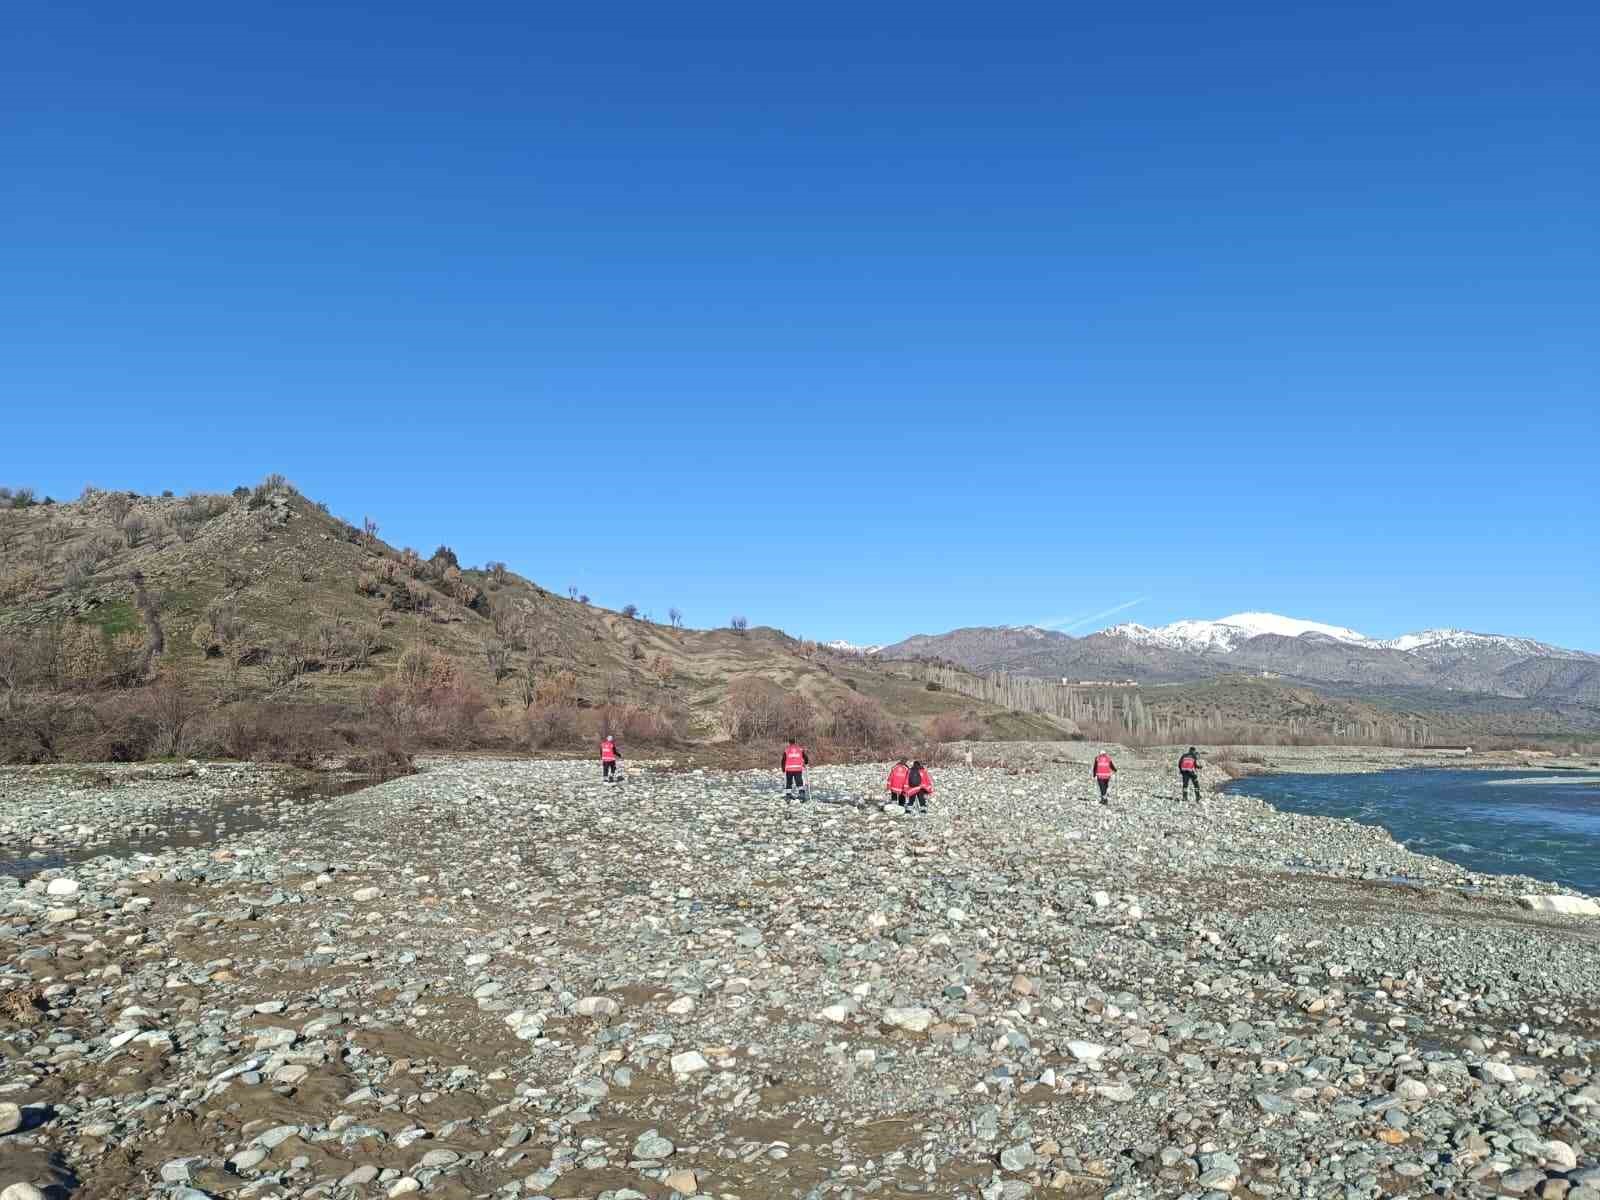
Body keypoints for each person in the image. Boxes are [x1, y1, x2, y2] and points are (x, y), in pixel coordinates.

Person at [782, 736, 810, 801]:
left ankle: (788, 795)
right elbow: (805, 757)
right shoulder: (800, 749)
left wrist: (783, 769)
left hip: (789, 769)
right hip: (798, 769)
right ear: (795, 742)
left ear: (789, 743)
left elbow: (783, 760)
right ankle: (802, 794)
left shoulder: (786, 750)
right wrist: (806, 763)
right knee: (799, 781)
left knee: (789, 782)